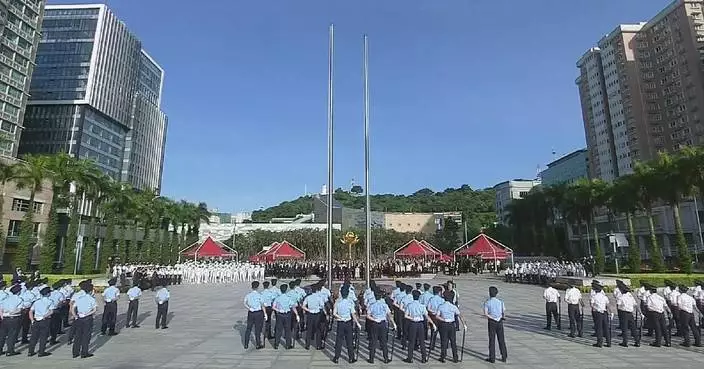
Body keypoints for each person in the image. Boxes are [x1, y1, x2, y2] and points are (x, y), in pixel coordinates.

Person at [403, 290, 435, 363]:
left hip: (413, 324)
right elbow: (427, 316)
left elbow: (405, 315)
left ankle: (410, 358)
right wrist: (432, 323)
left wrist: (412, 318)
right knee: (421, 341)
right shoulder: (422, 306)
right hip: (420, 324)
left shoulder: (409, 305)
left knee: (411, 341)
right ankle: (424, 358)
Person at [332, 285, 361, 364]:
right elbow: (353, 314)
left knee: (339, 341)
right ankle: (351, 358)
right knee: (349, 341)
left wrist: (340, 317)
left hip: (340, 322)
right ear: (348, 294)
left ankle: (336, 357)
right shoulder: (349, 302)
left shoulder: (337, 302)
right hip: (348, 322)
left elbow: (334, 313)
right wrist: (357, 323)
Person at [367, 290, 395, 364]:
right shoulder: (384, 305)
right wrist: (394, 324)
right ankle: (386, 358)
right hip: (382, 324)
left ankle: (371, 358)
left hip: (375, 323)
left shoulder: (372, 305)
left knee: (373, 341)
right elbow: (389, 315)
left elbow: (368, 315)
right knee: (384, 342)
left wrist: (374, 319)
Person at [437, 290, 464, 363]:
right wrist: (464, 324)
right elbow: (459, 315)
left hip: (444, 324)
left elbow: (437, 316)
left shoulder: (441, 306)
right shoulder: (453, 307)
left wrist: (443, 319)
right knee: (453, 342)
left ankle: (443, 357)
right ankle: (455, 357)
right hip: (452, 325)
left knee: (444, 341)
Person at [72, 282, 97, 358]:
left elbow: (73, 308)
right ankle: (84, 352)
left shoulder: (79, 298)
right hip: (87, 318)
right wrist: (88, 313)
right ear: (90, 291)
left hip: (79, 317)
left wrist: (75, 316)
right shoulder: (91, 299)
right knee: (86, 336)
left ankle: (75, 352)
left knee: (78, 335)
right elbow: (95, 309)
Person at [484, 286, 507, 363]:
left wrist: (492, 317)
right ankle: (504, 356)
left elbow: (486, 314)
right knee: (501, 339)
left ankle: (492, 357)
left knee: (492, 339)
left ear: (489, 293)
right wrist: (502, 317)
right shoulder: (500, 302)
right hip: (499, 321)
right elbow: (503, 312)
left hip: (492, 322)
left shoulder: (487, 302)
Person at [28, 286, 52, 357]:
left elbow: (31, 311)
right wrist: (45, 316)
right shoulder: (50, 301)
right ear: (48, 294)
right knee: (43, 337)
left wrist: (32, 320)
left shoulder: (36, 301)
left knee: (34, 337)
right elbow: (51, 311)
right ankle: (41, 352)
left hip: (36, 320)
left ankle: (30, 351)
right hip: (45, 320)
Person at [0, 284, 24, 356]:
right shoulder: (19, 299)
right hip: (13, 318)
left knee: (2, 335)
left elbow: (1, 309)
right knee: (12, 335)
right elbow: (19, 310)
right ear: (18, 292)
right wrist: (11, 312)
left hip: (4, 318)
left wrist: (2, 317)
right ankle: (10, 350)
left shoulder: (6, 299)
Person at [272, 284, 298, 349]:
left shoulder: (277, 298)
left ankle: (276, 344)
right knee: (288, 330)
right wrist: (297, 314)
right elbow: (293, 307)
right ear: (286, 290)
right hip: (287, 315)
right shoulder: (288, 298)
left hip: (280, 315)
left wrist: (278, 310)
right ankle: (287, 345)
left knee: (278, 330)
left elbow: (273, 307)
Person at [302, 283, 325, 350]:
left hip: (310, 314)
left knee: (309, 330)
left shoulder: (308, 297)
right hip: (317, 314)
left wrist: (308, 310)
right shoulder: (319, 297)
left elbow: (303, 306)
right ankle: (318, 345)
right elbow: (322, 306)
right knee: (318, 330)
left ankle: (307, 345)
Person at [244, 281, 266, 349]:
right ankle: (258, 344)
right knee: (257, 329)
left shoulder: (248, 295)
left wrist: (249, 308)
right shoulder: (259, 295)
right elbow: (262, 305)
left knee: (248, 328)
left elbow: (244, 303)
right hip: (258, 313)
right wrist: (265, 314)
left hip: (251, 312)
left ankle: (246, 344)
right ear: (257, 287)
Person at [590, 283, 611, 348]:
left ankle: (600, 342)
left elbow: (592, 305)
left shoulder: (594, 297)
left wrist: (595, 308)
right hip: (604, 313)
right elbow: (607, 305)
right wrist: (610, 312)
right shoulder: (604, 296)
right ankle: (608, 342)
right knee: (606, 328)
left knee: (599, 328)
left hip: (598, 313)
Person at [426, 285, 444, 351]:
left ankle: (432, 345)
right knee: (442, 332)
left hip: (432, 316)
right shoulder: (442, 300)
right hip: (440, 317)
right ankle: (443, 345)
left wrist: (433, 311)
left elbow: (428, 308)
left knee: (433, 331)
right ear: (439, 292)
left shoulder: (431, 299)